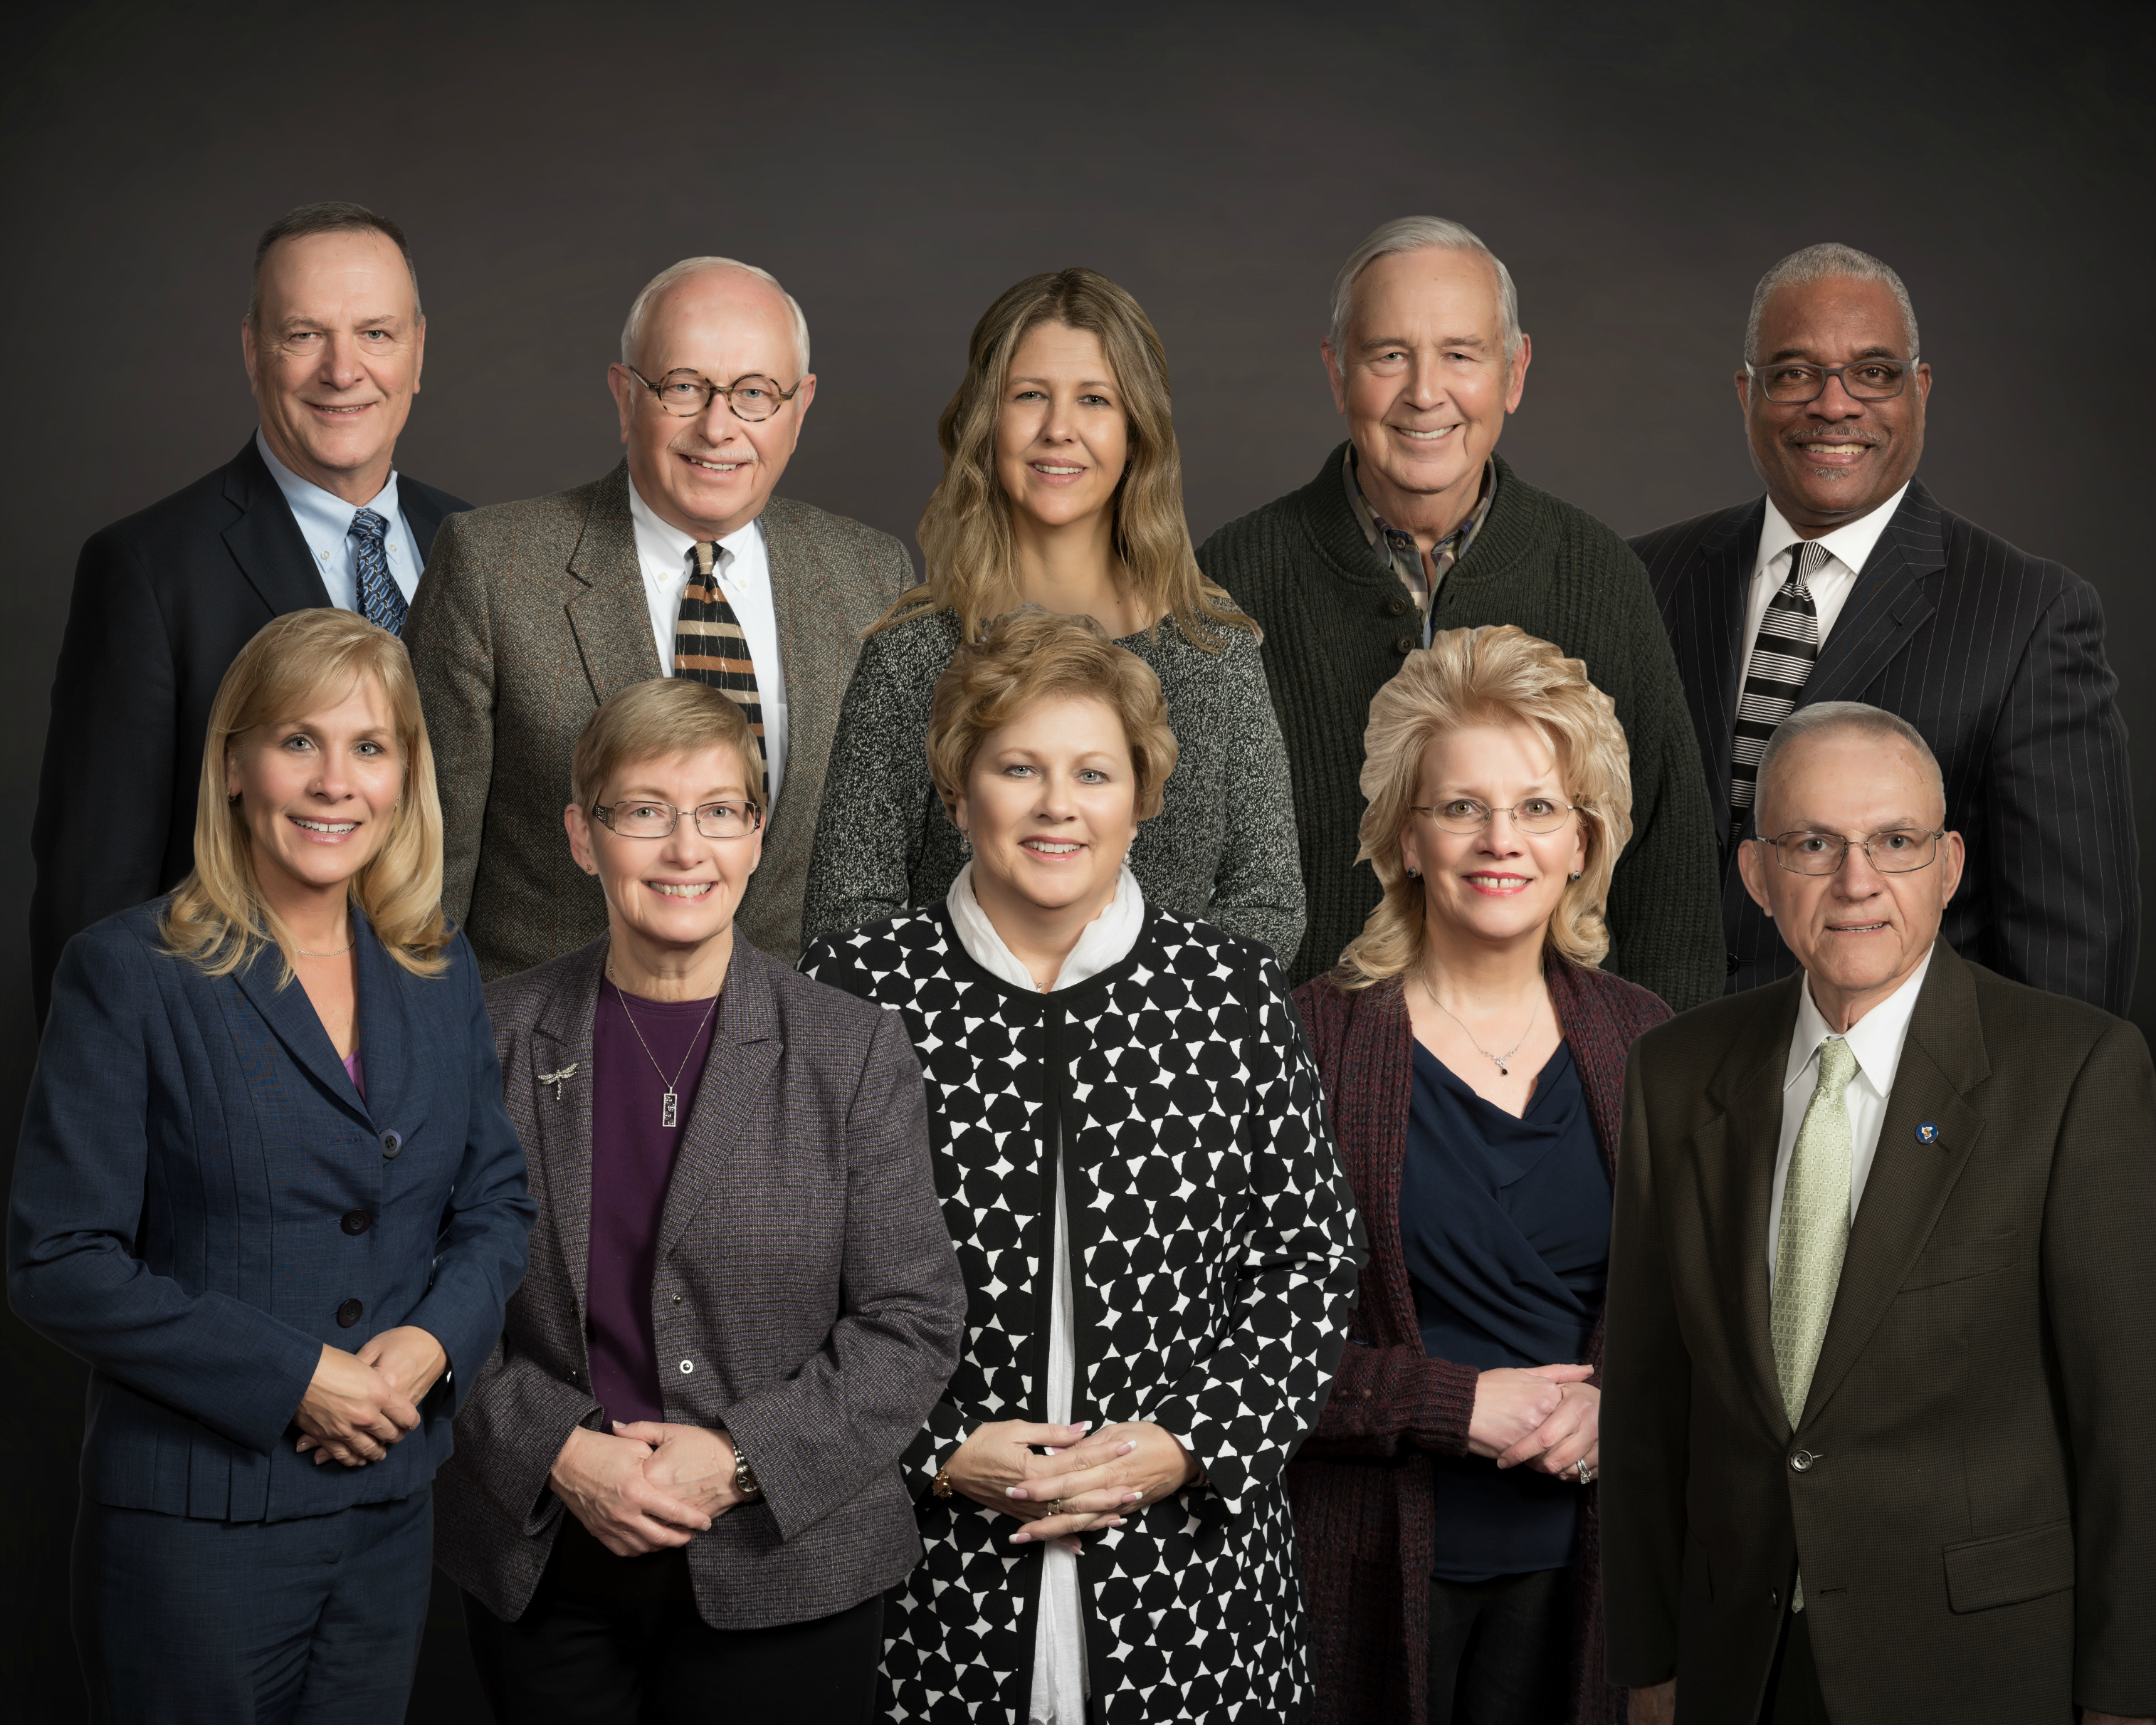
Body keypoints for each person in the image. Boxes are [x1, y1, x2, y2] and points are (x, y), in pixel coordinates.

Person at [800, 609, 1362, 1723]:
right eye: (1018, 767)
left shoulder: (1230, 993)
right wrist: (933, 1447)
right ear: (957, 790)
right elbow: (779, 1278)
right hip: (921, 1593)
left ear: (1142, 797)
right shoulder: (853, 991)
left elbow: (1307, 1257)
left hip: (1190, 1590)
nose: (1057, 803)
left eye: (1094, 772)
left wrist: (1190, 1441)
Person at [7, 608, 533, 1724]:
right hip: (194, 1530)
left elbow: (495, 1201)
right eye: (299, 740)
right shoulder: (128, 969)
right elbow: (59, 1257)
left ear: (404, 776)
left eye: (370, 745)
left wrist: (436, 1340)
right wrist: (294, 1374)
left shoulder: (436, 965)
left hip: (388, 1515)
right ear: (234, 764)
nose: (335, 780)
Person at [1600, 702, 2155, 1725]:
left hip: (1971, 1664)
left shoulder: (2074, 1070)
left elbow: (2128, 1420)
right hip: (1737, 1660)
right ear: (1756, 874)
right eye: (1813, 843)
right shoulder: (1674, 1071)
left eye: (1895, 841)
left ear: (1948, 866)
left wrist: (2127, 1695)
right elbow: (1643, 1396)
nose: (1856, 880)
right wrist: (1648, 1659)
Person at [435, 676, 964, 1722]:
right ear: (582, 836)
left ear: (756, 836)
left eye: (719, 811)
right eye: (644, 811)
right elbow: (430, 1295)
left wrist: (737, 1457)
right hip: (545, 1559)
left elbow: (912, 1319)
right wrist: (558, 1449)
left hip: (787, 1564)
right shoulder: (486, 1038)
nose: (686, 849)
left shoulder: (852, 1049)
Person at [1289, 626, 1666, 1725]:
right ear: (1406, 836)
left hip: (1590, 1574)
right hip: (1356, 1565)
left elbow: (1704, 1323)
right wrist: (1450, 1404)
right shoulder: (1304, 1042)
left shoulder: (1648, 1041)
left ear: (1583, 839)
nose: (1501, 840)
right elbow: (1223, 1344)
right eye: (1462, 806)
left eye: (1538, 807)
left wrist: (1622, 1405)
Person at [1195, 216, 1720, 1003]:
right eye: (1388, 355)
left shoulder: (1598, 576)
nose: (1423, 392)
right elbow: (1178, 876)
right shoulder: (1229, 581)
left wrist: (1646, 1073)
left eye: (1460, 355)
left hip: (1547, 1066)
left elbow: (1669, 884)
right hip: (1290, 1059)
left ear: (1514, 371)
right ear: (1336, 373)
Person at [1633, 241, 2137, 1012]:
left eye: (1872, 373)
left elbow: (2070, 964)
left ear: (1919, 390)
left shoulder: (2028, 616)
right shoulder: (1641, 577)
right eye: (1793, 374)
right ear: (1745, 393)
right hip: (1640, 1068)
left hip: (1895, 1082)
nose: (1833, 405)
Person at [406, 256, 911, 977]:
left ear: (799, 408)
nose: (717, 427)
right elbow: (423, 878)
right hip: (544, 1035)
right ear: (625, 396)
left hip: (796, 1035)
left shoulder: (871, 577)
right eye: (683, 387)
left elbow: (887, 871)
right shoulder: (492, 567)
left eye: (754, 393)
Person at [30, 200, 468, 1024]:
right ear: (251, 350)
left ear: (417, 351)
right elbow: (93, 897)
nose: (343, 370)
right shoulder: (147, 569)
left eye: (375, 333)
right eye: (304, 334)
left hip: (453, 1048)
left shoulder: (479, 545)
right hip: (233, 1054)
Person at [801, 266, 1303, 961]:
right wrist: (997, 1012)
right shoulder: (911, 653)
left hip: (1172, 1031)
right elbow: (847, 918)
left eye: (1094, 399)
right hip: (947, 1030)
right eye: (1029, 395)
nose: (1058, 429)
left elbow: (1267, 900)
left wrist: (1136, 1012)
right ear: (985, 422)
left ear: (1136, 430)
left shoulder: (1212, 648)